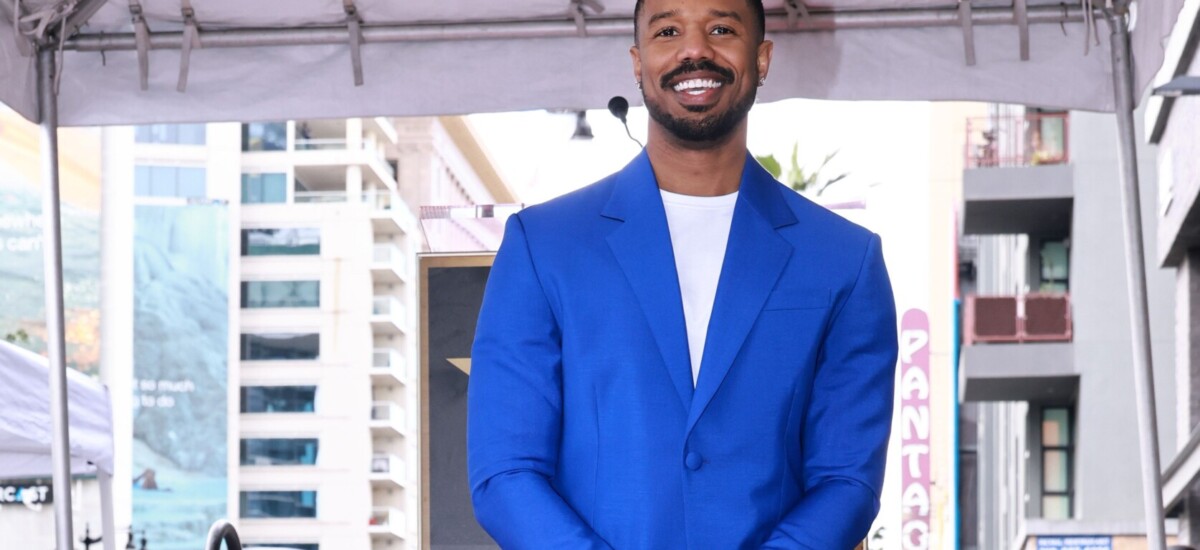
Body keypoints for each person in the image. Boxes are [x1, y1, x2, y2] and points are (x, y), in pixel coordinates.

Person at [467, 0, 898, 548]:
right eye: (668, 30)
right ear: (638, 61)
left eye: (721, 28)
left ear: (761, 59)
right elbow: (505, 472)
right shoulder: (543, 245)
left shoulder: (845, 259)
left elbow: (847, 477)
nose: (695, 49)